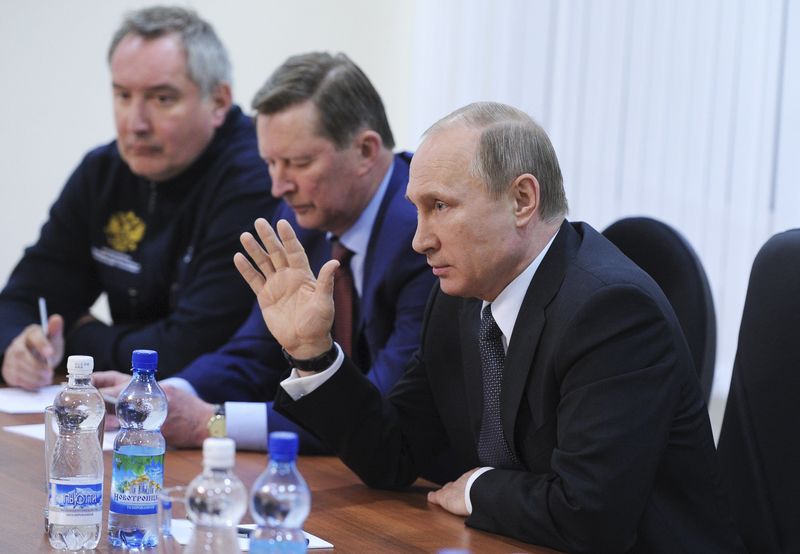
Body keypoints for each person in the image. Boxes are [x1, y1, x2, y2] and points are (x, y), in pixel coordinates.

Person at [234, 102, 744, 552]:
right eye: (416, 210)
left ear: (522, 200)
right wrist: (314, 353)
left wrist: (477, 487)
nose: (419, 241)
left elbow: (591, 516)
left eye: (440, 207)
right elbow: (395, 454)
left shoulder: (611, 312)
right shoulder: (460, 297)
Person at [95, 52, 435, 453]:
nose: (278, 187)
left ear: (365, 151)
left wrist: (212, 423)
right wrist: (164, 394)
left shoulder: (421, 234)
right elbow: (255, 351)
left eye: (298, 162)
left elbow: (379, 411)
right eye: (270, 163)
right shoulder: (303, 217)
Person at [0, 6, 276, 389]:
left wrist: (75, 340)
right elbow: (21, 299)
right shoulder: (102, 171)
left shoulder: (258, 177)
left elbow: (191, 348)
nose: (136, 123)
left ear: (218, 102)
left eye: (162, 99)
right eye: (123, 95)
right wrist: (19, 347)